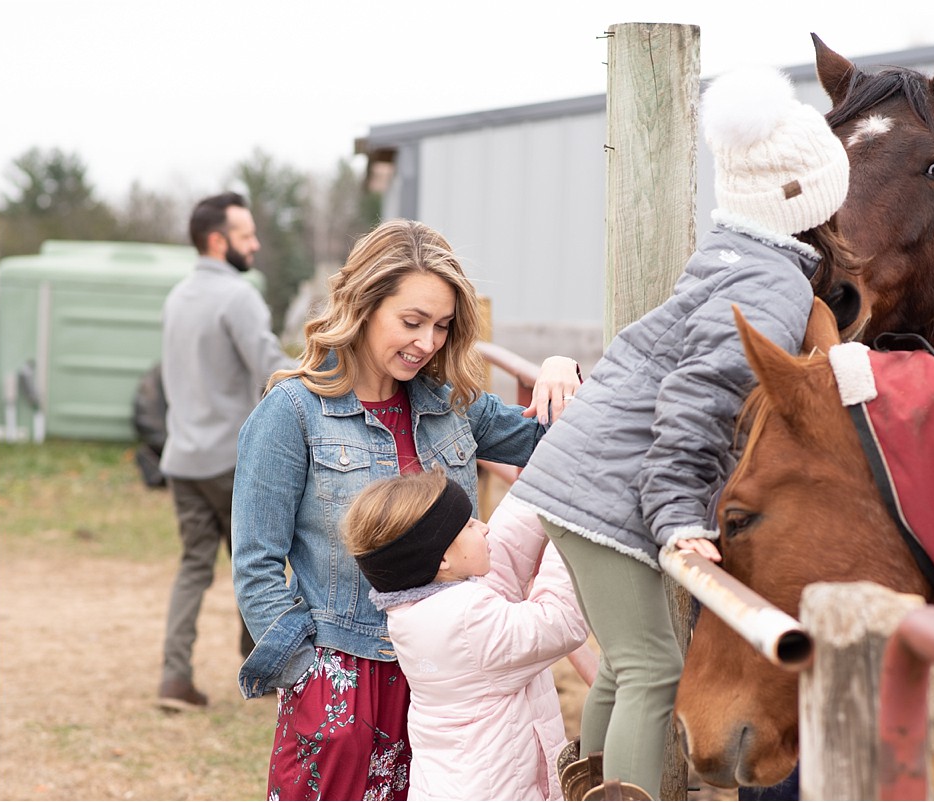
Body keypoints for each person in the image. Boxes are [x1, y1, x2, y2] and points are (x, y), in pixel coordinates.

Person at [508, 66, 857, 799]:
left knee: (626, 663)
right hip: (610, 491)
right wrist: (675, 518)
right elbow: (697, 398)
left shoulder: (735, 259)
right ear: (813, 201)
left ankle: (592, 784)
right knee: (653, 669)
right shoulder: (771, 286)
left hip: (582, 482)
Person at [231, 218, 582, 801]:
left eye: (442, 326)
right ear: (364, 305)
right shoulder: (290, 413)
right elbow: (256, 564)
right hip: (346, 681)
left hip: (449, 688)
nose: (427, 343)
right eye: (411, 321)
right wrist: (313, 679)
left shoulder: (453, 408)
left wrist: (561, 374)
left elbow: (562, 444)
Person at [341, 468, 587, 801]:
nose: (483, 527)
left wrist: (553, 469)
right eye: (470, 524)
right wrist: (575, 525)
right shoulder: (468, 620)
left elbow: (506, 552)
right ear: (442, 558)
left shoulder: (422, 606)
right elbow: (561, 620)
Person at [157, 191, 297, 711]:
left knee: (194, 567)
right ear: (218, 241)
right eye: (246, 235)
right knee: (259, 562)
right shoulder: (238, 297)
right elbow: (271, 367)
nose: (255, 244)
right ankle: (263, 666)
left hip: (182, 458)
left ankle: (174, 679)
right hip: (231, 459)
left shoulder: (177, 297)